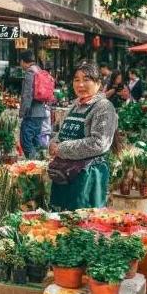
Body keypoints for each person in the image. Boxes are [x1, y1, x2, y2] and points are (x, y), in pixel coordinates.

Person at [48, 63, 119, 211]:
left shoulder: (103, 107)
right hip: (64, 174)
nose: (80, 84)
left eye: (86, 80)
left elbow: (99, 143)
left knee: (83, 225)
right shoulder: (75, 106)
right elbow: (62, 133)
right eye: (76, 79)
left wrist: (61, 148)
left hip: (88, 177)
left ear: (98, 83)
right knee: (59, 224)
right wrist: (53, 143)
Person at [19, 50, 48, 159]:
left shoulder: (30, 72)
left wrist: (22, 112)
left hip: (31, 113)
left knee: (26, 141)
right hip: (40, 112)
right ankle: (41, 164)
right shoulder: (39, 70)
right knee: (36, 141)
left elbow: (27, 95)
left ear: (22, 61)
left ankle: (33, 166)